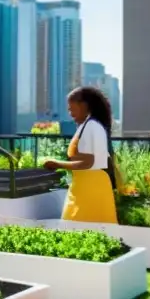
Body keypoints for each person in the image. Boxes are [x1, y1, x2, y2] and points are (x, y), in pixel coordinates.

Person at [42, 87, 118, 224]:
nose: (70, 114)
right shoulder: (89, 125)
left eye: (72, 109)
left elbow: (87, 162)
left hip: (89, 188)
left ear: (84, 105)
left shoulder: (91, 126)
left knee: (78, 231)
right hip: (88, 185)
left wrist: (57, 164)